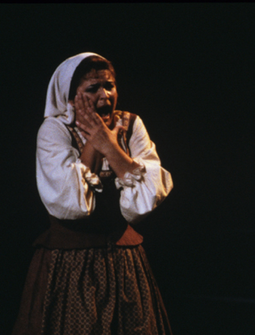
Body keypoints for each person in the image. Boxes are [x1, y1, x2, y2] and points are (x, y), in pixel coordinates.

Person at [13, 52, 174, 335]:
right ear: (71, 96)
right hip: (70, 264)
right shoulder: (55, 130)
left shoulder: (131, 125)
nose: (104, 95)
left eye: (109, 86)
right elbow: (70, 202)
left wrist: (110, 147)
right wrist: (95, 143)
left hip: (123, 261)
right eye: (92, 88)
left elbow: (146, 198)